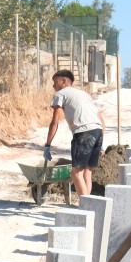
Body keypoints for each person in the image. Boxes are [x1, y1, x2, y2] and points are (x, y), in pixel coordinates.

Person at [43, 69, 104, 198]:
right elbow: (100, 118)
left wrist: (47, 145)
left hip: (83, 134)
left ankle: (85, 208)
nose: (53, 85)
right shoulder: (84, 94)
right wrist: (101, 143)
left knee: (76, 173)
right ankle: (89, 206)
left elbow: (55, 122)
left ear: (64, 81)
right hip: (98, 132)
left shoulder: (61, 94)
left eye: (55, 82)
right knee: (87, 172)